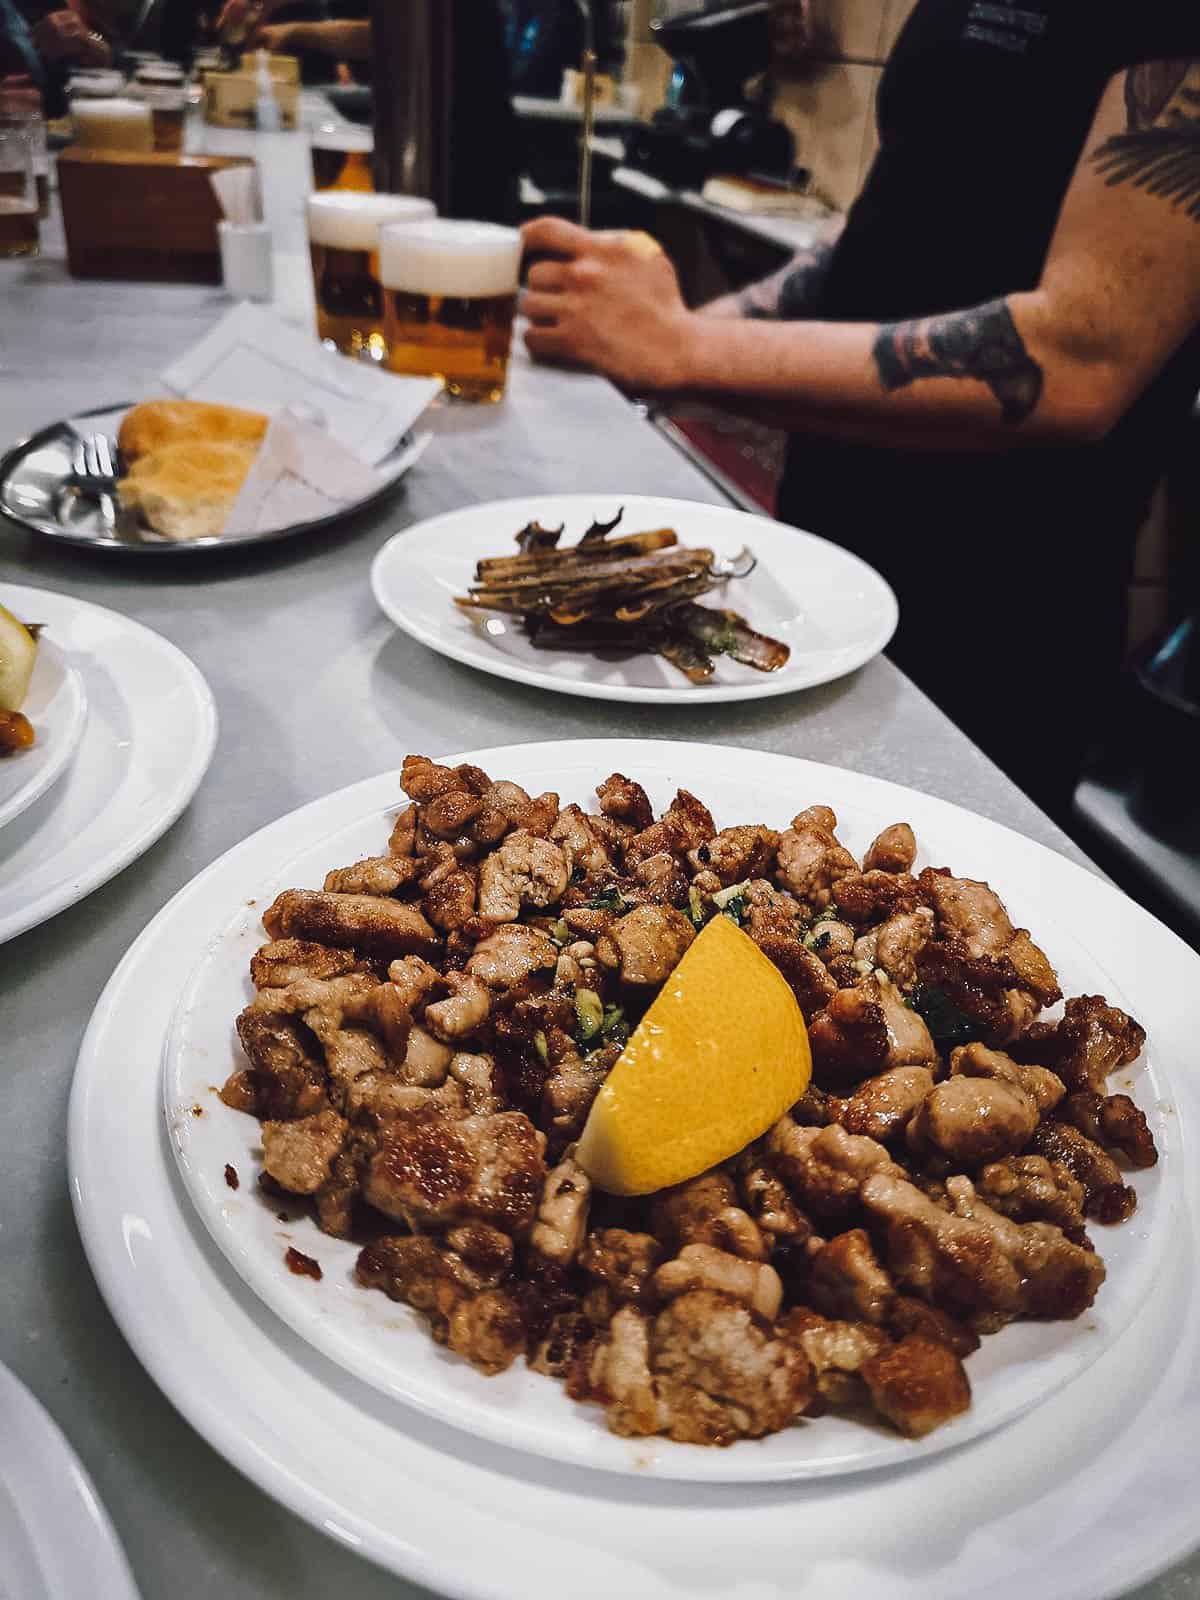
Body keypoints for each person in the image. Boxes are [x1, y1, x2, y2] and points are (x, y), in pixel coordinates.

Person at [520, 7, 1200, 822]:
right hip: (819, 575)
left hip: (989, 632)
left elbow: (1081, 355)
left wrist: (680, 349)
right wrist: (673, 343)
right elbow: (887, 222)